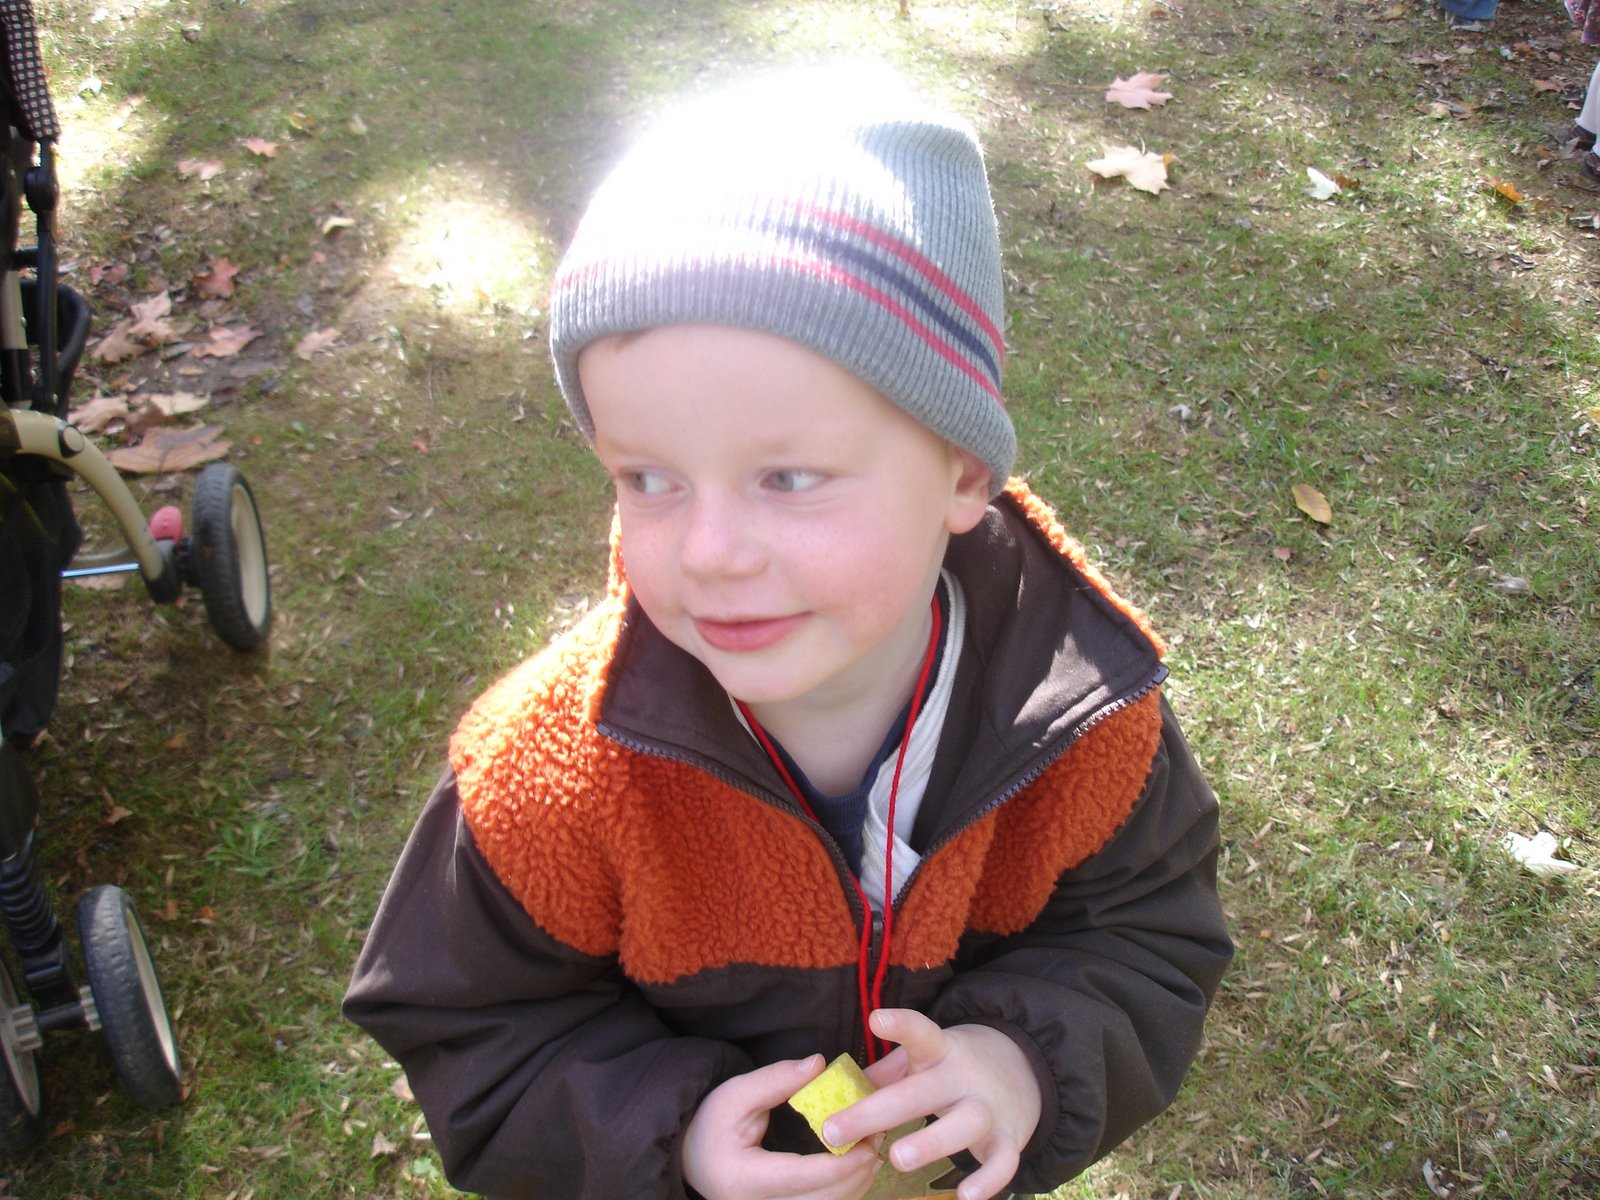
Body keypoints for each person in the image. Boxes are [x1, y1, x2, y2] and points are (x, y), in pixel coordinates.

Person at [344, 66, 1233, 1200]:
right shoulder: (543, 779)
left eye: (789, 477)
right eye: (650, 478)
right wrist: (669, 1140)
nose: (710, 550)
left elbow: (1146, 939)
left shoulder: (1083, 722)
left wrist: (1023, 1065)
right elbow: (473, 1031)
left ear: (963, 471)